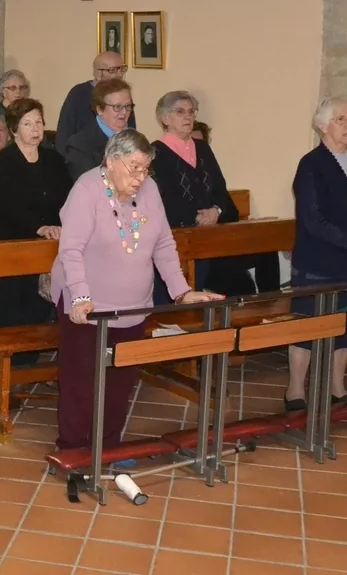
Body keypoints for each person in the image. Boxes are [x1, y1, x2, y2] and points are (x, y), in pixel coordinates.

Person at [50, 129, 221, 454]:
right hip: (87, 306)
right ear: (111, 161)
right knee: (81, 382)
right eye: (134, 167)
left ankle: (108, 449)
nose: (141, 177)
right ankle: (71, 451)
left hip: (132, 307)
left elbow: (163, 244)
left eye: (145, 169)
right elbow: (70, 250)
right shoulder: (86, 190)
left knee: (121, 382)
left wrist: (182, 292)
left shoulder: (150, 190)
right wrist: (81, 297)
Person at [286, 97, 347, 411]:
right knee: (307, 327)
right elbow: (313, 219)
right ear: (323, 125)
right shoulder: (311, 164)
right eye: (341, 119)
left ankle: (336, 387)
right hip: (320, 260)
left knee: (345, 326)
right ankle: (295, 391)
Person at [150, 91, 280, 298]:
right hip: (179, 240)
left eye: (191, 112)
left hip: (211, 236)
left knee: (265, 246)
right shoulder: (155, 153)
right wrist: (196, 216)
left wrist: (216, 210)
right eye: (180, 112)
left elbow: (219, 188)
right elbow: (162, 199)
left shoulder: (202, 149)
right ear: (164, 118)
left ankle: (271, 312)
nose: (188, 117)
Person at [0, 99, 72, 365]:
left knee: (39, 307)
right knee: (12, 308)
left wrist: (60, 224)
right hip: (9, 245)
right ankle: (8, 368)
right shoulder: (2, 163)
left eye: (39, 123)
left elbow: (67, 198)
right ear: (13, 128)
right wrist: (39, 226)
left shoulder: (54, 160)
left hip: (46, 248)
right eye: (27, 123)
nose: (35, 129)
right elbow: (6, 205)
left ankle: (29, 365)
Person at [55, 52, 135, 157]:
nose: (120, 74)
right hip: (83, 156)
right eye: (113, 70)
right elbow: (64, 132)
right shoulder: (79, 94)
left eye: (122, 69)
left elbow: (131, 130)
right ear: (98, 73)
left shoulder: (123, 95)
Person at [65, 78, 134, 181]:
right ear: (100, 109)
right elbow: (91, 184)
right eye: (117, 107)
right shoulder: (79, 145)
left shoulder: (135, 140)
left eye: (128, 106)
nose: (124, 112)